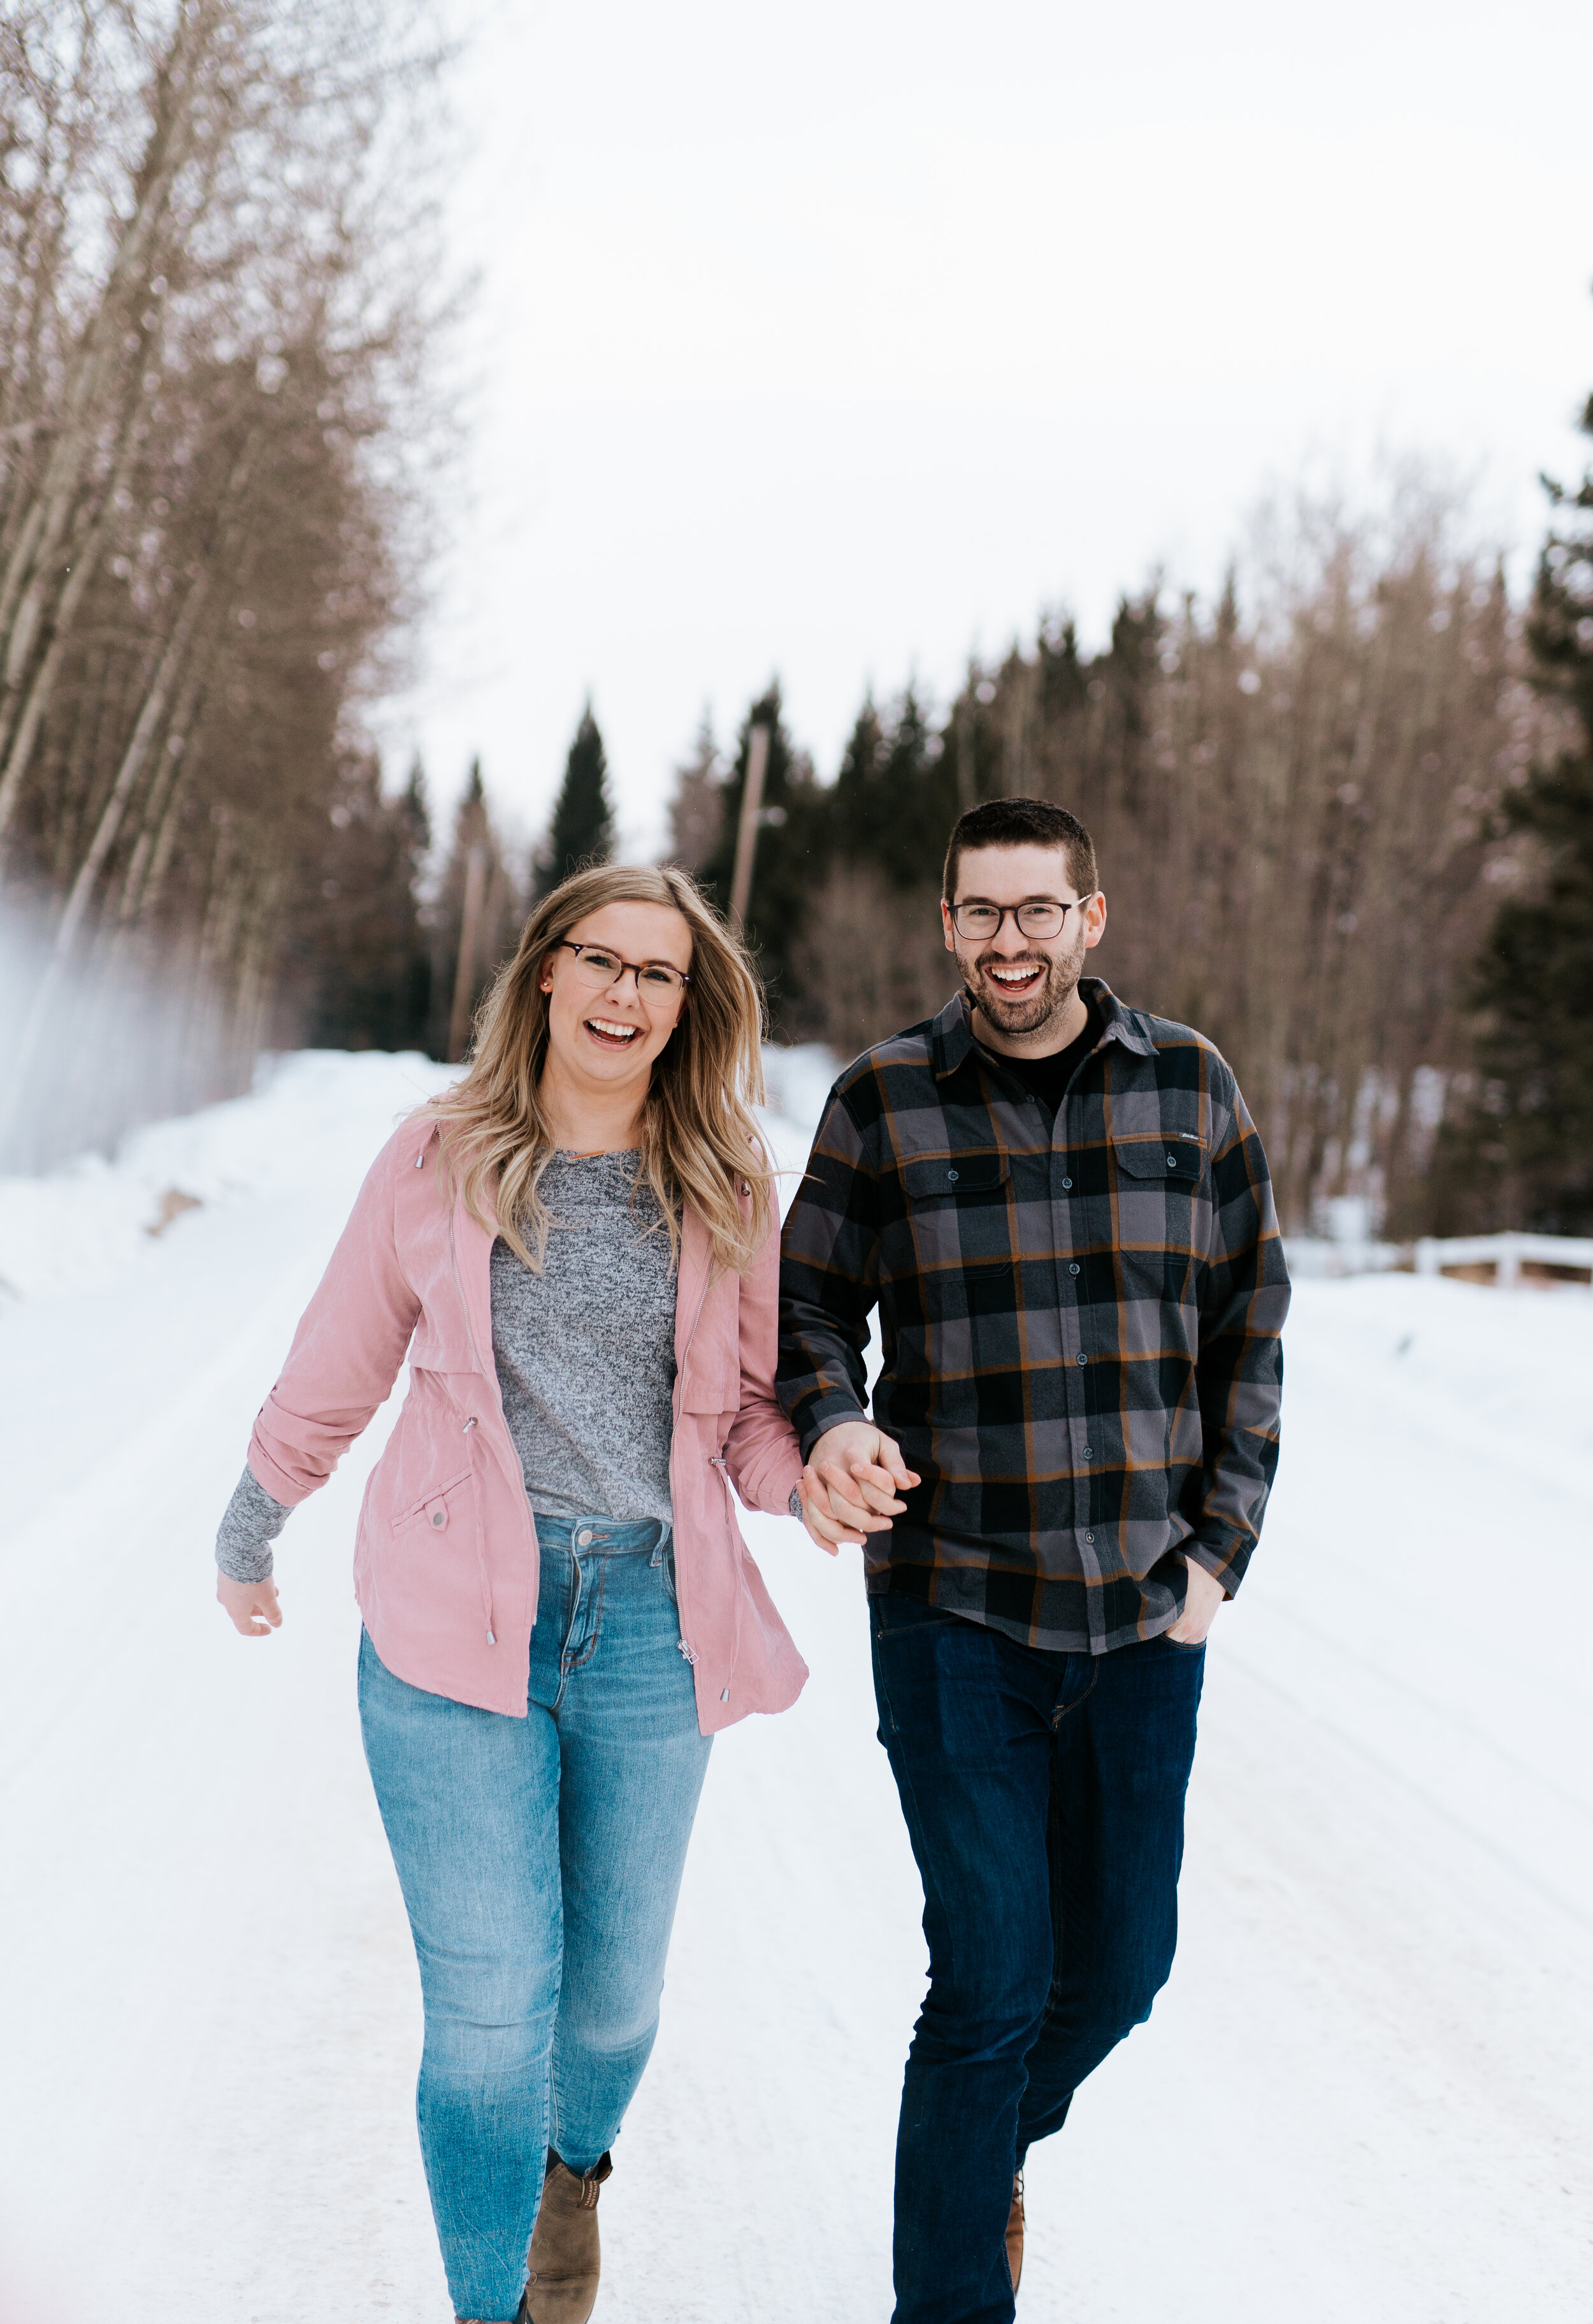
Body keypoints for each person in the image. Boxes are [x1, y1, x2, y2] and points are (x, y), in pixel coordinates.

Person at [214, 863, 834, 2324]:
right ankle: (489, 2304)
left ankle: (574, 2171)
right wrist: (253, 1523)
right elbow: (338, 1358)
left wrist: (811, 1477)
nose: (626, 993)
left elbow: (749, 1415)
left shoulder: (728, 1178)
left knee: (609, 2008)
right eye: (601, 960)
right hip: (453, 1623)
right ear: (546, 970)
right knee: (493, 2015)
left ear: (687, 1006)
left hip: (651, 1624)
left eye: (658, 974)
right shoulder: (436, 1157)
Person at [779, 795, 1290, 2324]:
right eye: (981, 912)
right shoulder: (881, 1099)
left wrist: (1217, 1555)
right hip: (953, 1608)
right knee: (990, 1978)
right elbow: (808, 1310)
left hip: (1141, 1616)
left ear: (1089, 917)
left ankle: (977, 2152)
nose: (1009, 942)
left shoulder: (1190, 1088)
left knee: (1119, 1971)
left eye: (1037, 910)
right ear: (947, 924)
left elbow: (1249, 1331)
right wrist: (832, 1418)